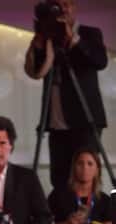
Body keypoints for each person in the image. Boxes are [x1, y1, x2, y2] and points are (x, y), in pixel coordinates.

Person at [24, 0, 108, 190]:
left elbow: (100, 61)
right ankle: (62, 217)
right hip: (56, 122)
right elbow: (36, 71)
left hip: (85, 120)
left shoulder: (90, 33)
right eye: (57, 5)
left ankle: (90, 214)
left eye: (67, 4)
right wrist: (39, 44)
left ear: (74, 7)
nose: (62, 9)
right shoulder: (48, 38)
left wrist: (73, 39)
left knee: (86, 175)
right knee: (59, 176)